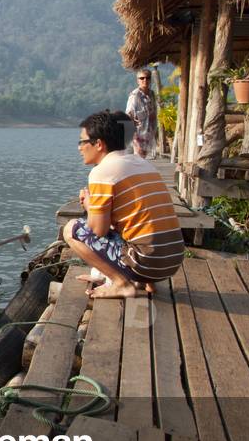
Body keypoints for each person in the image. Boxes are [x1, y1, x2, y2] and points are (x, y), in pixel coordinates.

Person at [63, 110, 185, 299]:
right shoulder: (142, 163)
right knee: (134, 225)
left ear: (98, 144)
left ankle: (121, 284)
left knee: (72, 229)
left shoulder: (102, 172)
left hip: (147, 262)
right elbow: (128, 219)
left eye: (82, 141)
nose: (79, 147)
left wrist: (90, 205)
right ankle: (146, 284)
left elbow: (98, 231)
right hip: (172, 261)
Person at [125, 69, 158, 158]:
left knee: (143, 158)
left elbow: (154, 111)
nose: (145, 80)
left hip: (149, 133)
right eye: (142, 78)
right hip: (138, 133)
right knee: (138, 158)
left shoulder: (152, 94)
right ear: (138, 80)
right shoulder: (134, 95)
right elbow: (129, 113)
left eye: (147, 78)